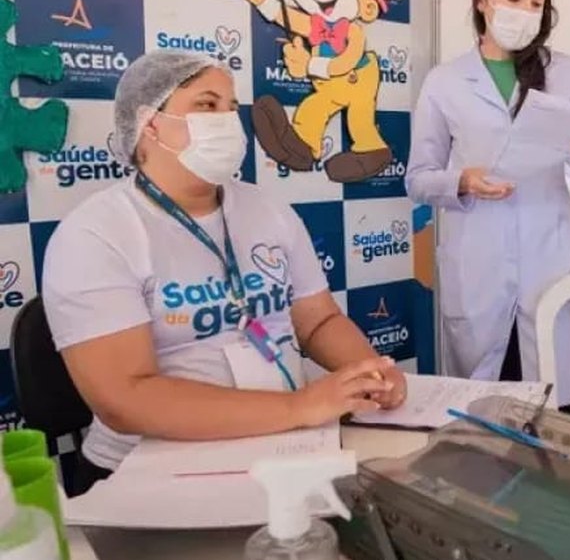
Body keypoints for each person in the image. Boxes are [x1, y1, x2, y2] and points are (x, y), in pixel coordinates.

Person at [42, 51, 407, 496]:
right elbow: (126, 398)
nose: (228, 120)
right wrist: (300, 405)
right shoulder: (97, 233)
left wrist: (368, 371)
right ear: (149, 123)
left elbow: (319, 320)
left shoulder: (268, 209)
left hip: (289, 443)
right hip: (151, 470)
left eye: (232, 107)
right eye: (207, 105)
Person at [406, 0, 570, 411]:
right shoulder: (445, 81)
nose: (526, 11)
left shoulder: (564, 72)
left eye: (538, 3)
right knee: (488, 408)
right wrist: (463, 181)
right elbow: (418, 178)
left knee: (557, 403)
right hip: (478, 263)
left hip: (550, 256)